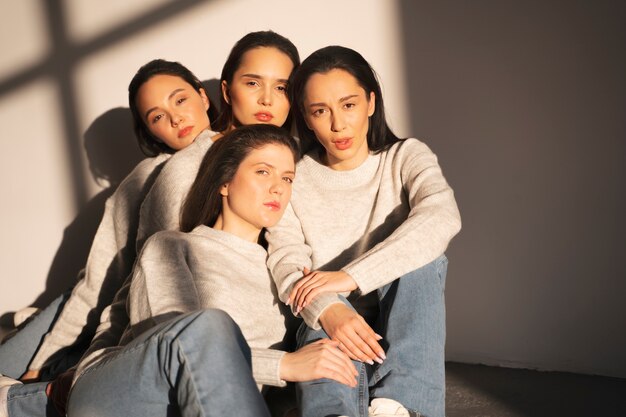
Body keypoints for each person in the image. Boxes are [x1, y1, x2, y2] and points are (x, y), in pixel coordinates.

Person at [66, 124, 357, 417]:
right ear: (225, 182)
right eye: (263, 172)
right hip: (123, 392)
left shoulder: (281, 277)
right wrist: (284, 365)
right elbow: (173, 346)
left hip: (209, 406)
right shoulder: (172, 245)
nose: (278, 187)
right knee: (209, 325)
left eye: (287, 178)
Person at [0, 58, 216, 417]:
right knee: (13, 370)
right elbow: (101, 278)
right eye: (157, 116)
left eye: (179, 100)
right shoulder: (145, 176)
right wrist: (47, 355)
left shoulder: (246, 156)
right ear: (151, 132)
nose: (176, 119)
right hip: (91, 302)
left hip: (134, 312)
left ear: (203, 97)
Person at [265, 46, 462, 417]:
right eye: (320, 111)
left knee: (423, 256)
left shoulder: (406, 156)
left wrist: (349, 276)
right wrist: (330, 309)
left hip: (403, 321)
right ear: (306, 118)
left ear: (371, 102)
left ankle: (398, 406)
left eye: (349, 105)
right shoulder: (294, 175)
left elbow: (442, 216)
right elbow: (286, 262)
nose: (338, 124)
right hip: (326, 320)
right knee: (321, 340)